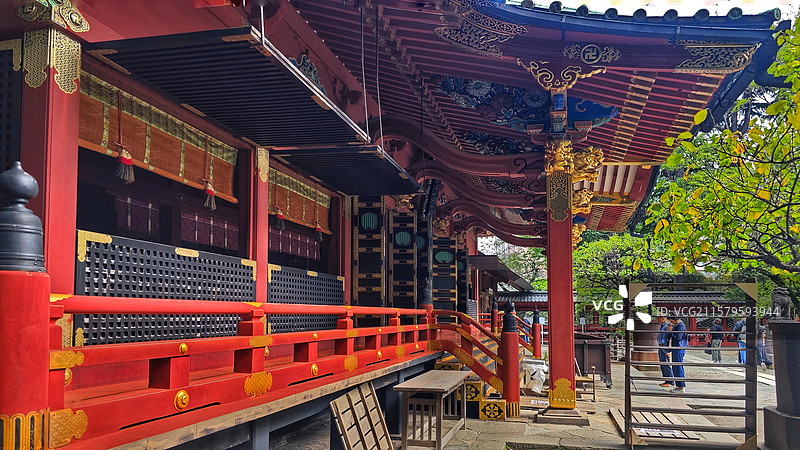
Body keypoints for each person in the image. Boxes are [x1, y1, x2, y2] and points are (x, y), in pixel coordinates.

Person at [668, 315, 687, 393]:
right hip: (676, 347)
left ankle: (681, 387)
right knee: (676, 367)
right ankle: (678, 385)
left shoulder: (681, 325)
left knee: (678, 367)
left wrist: (671, 331)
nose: (670, 322)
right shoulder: (677, 325)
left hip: (679, 347)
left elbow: (678, 337)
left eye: (671, 320)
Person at [656, 316, 673, 387]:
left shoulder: (667, 326)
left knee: (666, 363)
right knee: (663, 363)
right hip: (661, 346)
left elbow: (669, 337)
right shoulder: (663, 326)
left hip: (664, 346)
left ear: (662, 318)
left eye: (658, 319)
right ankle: (667, 379)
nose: (657, 321)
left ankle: (670, 381)